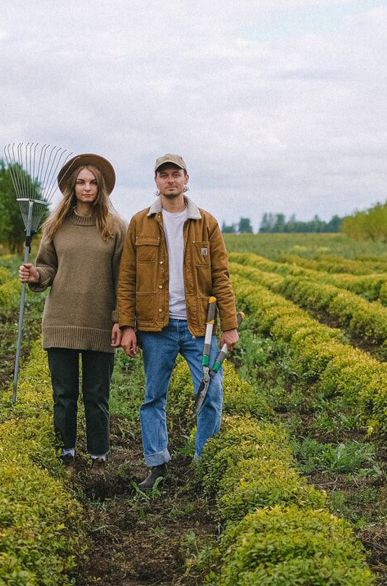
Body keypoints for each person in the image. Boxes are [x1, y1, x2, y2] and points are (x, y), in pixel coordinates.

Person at [117, 153, 239, 492]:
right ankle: (157, 465)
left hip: (202, 326)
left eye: (176, 174)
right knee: (154, 396)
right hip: (157, 327)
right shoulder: (140, 223)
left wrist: (230, 325)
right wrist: (127, 325)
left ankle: (204, 460)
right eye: (163, 175)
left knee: (211, 393)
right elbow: (126, 279)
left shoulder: (207, 223)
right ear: (155, 181)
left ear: (187, 179)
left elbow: (222, 277)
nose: (170, 180)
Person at [20, 154, 126, 465]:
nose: (87, 188)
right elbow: (47, 267)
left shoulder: (116, 228)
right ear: (71, 187)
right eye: (81, 182)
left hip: (99, 322)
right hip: (61, 320)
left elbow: (124, 278)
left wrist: (121, 319)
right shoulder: (56, 226)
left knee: (97, 397)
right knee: (63, 395)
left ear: (101, 187)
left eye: (93, 182)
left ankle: (98, 455)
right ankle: (64, 452)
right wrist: (35, 275)